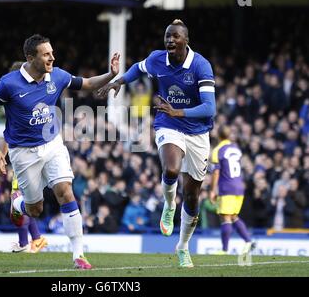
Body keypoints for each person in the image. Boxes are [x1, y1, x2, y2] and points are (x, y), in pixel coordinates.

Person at [0, 34, 119, 269]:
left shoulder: (57, 75)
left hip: (52, 143)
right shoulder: (9, 83)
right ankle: (18, 205)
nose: (52, 58)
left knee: (65, 191)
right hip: (23, 152)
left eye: (52, 53)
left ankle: (79, 255)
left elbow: (86, 84)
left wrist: (111, 75)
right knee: (35, 210)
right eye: (46, 54)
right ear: (30, 57)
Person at [98, 19, 216, 267]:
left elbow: (209, 108)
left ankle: (183, 246)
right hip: (168, 124)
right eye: (167, 36)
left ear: (186, 40)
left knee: (193, 196)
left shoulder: (200, 66)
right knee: (171, 169)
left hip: (197, 132)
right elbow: (138, 69)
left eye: (175, 36)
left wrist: (180, 112)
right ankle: (169, 204)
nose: (170, 40)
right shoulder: (156, 59)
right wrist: (119, 81)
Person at [2, 61, 48, 254]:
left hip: (28, 160)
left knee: (18, 201)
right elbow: (9, 132)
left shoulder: (22, 102)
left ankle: (31, 241)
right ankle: (31, 241)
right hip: (25, 159)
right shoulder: (20, 102)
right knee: (21, 201)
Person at [209, 125, 255, 255]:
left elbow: (216, 173)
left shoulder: (218, 150)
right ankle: (248, 241)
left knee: (225, 217)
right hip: (239, 186)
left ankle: (224, 249)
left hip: (227, 187)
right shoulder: (236, 148)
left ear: (218, 135)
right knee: (234, 216)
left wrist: (212, 190)